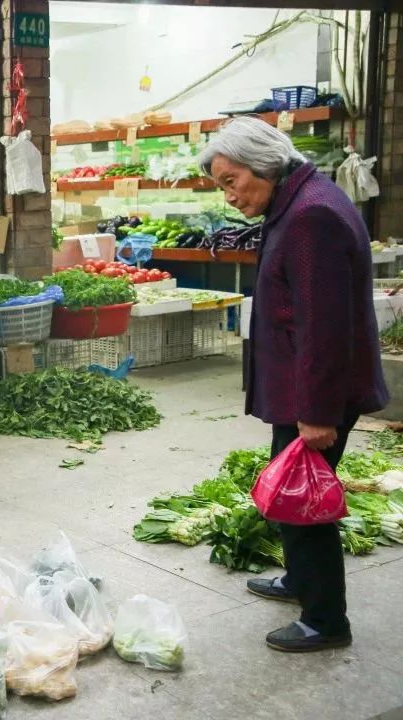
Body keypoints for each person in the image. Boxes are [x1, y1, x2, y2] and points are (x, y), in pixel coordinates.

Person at [199, 116, 388, 653]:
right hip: (304, 387)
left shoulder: (311, 218)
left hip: (318, 391)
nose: (228, 195)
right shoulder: (299, 201)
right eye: (220, 185)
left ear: (264, 164)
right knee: (292, 485)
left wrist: (318, 411)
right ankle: (299, 580)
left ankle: (325, 620)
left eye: (230, 181)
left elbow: (324, 328)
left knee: (305, 499)